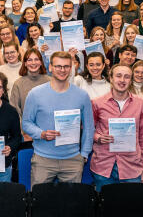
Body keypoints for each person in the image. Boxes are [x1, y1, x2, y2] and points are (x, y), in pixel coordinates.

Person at [22, 51, 95, 187]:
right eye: (58, 66)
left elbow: (89, 127)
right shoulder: (35, 94)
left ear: (71, 67)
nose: (62, 70)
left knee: (70, 204)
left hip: (72, 160)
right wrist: (41, 134)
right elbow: (26, 123)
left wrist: (84, 153)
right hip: (43, 159)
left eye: (66, 66)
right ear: (50, 67)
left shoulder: (82, 95)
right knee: (40, 202)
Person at [90, 64, 143, 191]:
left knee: (130, 207)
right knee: (105, 206)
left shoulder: (141, 104)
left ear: (131, 80)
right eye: (118, 76)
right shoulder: (97, 103)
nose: (122, 80)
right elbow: (88, 129)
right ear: (111, 78)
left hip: (132, 167)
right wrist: (98, 137)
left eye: (127, 77)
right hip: (103, 166)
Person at [9, 47, 50, 117]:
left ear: (41, 62)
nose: (33, 63)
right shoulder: (18, 84)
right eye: (30, 60)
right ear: (25, 63)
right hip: (26, 126)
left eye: (36, 59)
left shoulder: (50, 82)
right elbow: (15, 111)